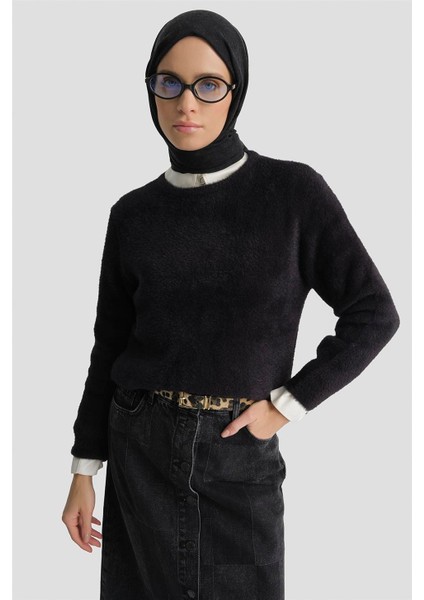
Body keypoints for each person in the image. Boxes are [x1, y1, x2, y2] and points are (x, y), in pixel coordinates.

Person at [61, 9, 400, 600]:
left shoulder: (292, 193)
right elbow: (109, 344)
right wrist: (83, 470)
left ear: (235, 92)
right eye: (169, 82)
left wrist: (288, 404)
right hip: (136, 451)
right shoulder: (132, 214)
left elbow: (374, 312)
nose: (186, 103)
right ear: (151, 89)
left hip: (235, 455)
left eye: (208, 85)